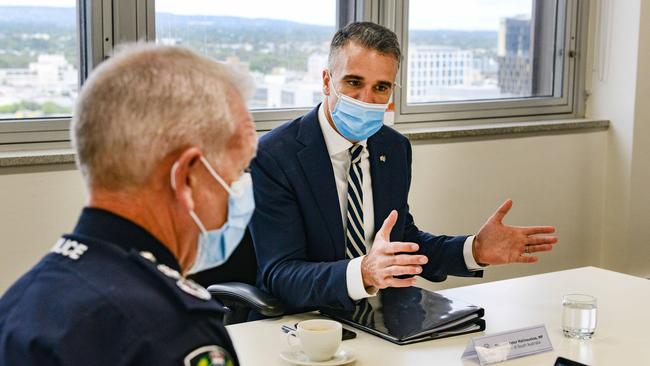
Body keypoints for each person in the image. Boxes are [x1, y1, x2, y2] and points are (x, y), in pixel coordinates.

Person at [249, 22, 558, 314]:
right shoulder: (275, 155)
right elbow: (281, 274)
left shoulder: (393, 147)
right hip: (305, 323)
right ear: (327, 81)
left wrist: (473, 250)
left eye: (381, 87)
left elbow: (403, 243)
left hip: (380, 317)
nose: (366, 100)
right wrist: (365, 272)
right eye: (354, 82)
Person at [0, 44, 257, 366]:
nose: (241, 190)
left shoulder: (24, 299)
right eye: (237, 171)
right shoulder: (169, 330)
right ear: (187, 178)